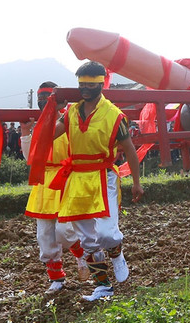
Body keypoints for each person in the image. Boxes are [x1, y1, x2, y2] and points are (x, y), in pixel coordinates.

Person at [46, 61, 145, 301]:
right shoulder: (71, 112)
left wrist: (136, 181)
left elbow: (130, 150)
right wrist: (41, 119)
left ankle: (117, 254)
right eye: (82, 84)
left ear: (101, 84)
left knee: (106, 233)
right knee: (88, 240)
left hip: (104, 176)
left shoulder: (113, 115)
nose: (86, 89)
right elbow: (50, 134)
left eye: (91, 84)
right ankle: (103, 286)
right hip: (77, 178)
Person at [21, 82, 89, 292]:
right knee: (45, 234)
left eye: (47, 99)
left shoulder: (70, 117)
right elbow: (29, 157)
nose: (44, 103)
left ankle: (82, 254)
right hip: (44, 181)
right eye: (41, 100)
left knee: (64, 229)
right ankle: (57, 279)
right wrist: (25, 132)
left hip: (66, 177)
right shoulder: (37, 123)